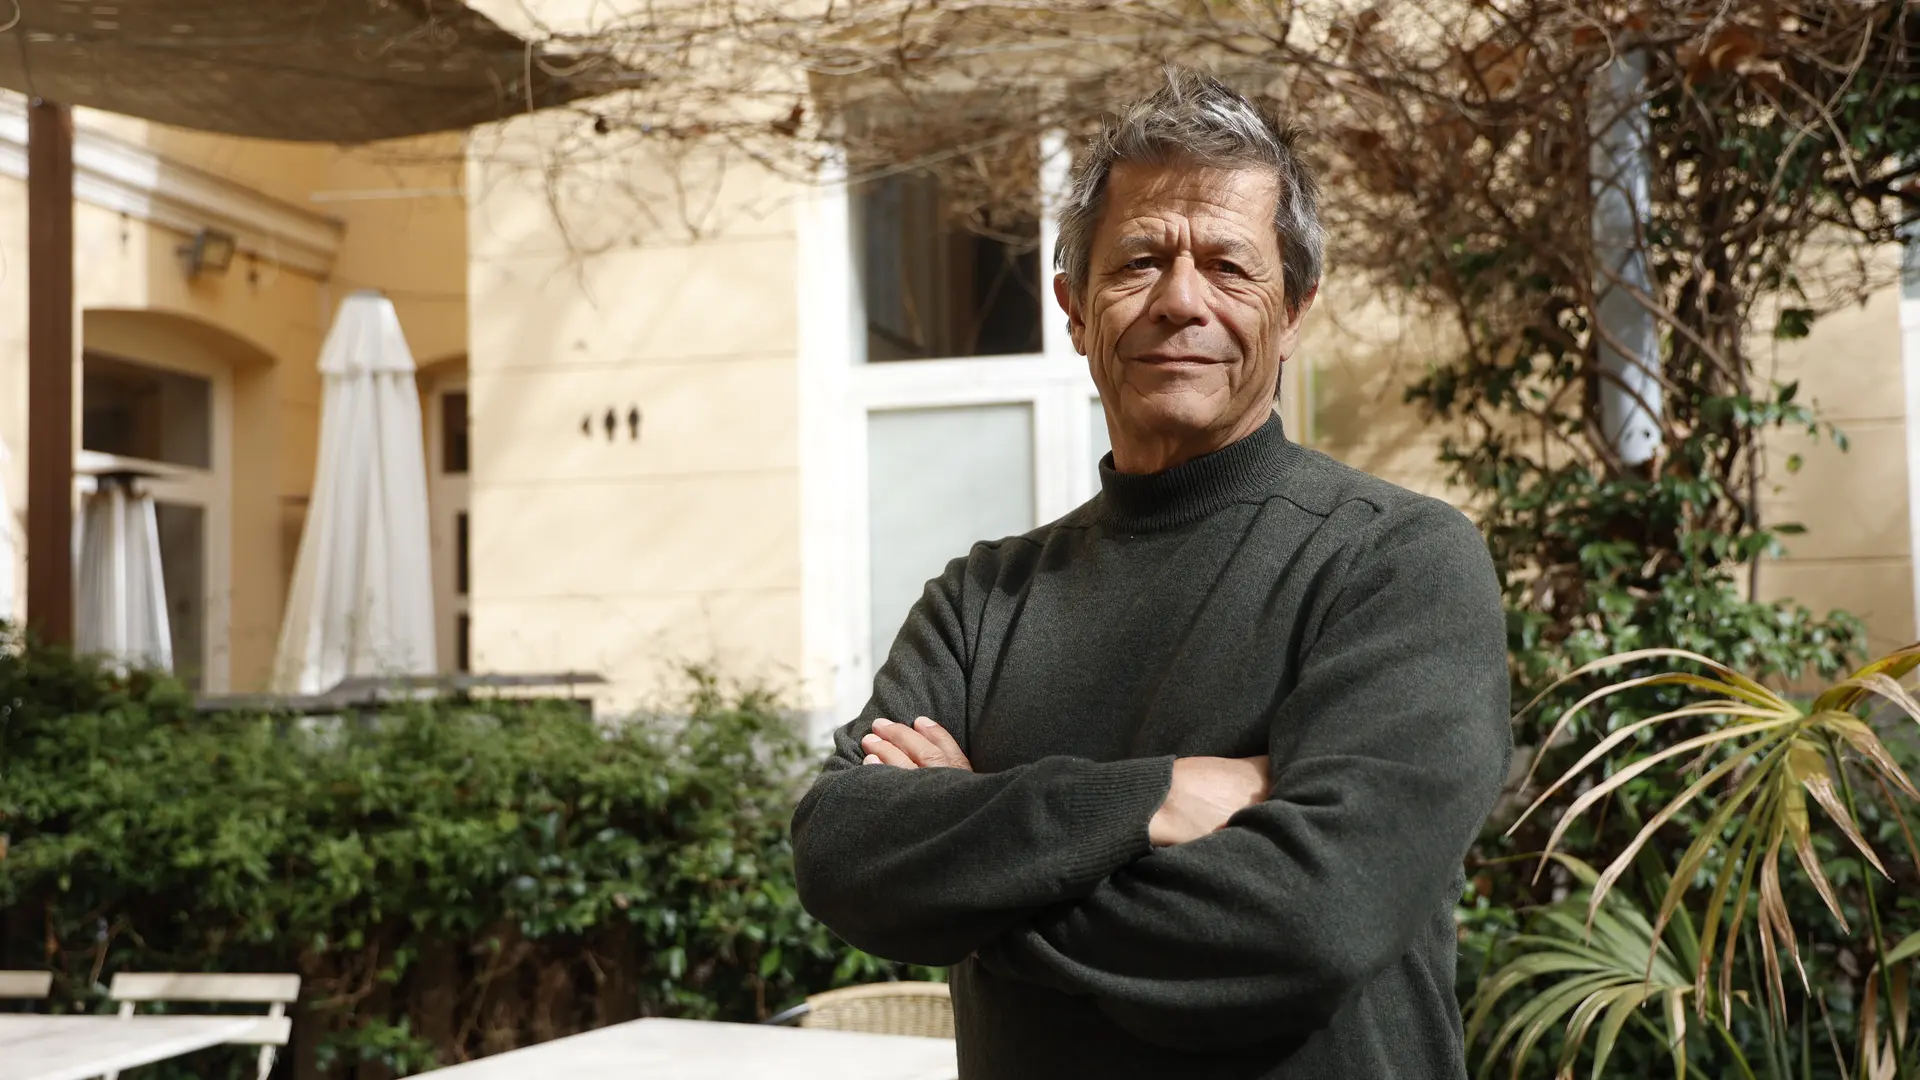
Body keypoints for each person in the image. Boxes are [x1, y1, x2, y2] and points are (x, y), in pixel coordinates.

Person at [791, 68, 1511, 1079]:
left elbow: (1315, 920)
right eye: (1140, 262)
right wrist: (1154, 798)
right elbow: (839, 849)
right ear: (1075, 310)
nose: (1181, 301)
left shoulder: (1396, 563)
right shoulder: (982, 601)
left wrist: (979, 894)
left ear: (1294, 311)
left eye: (1228, 265)